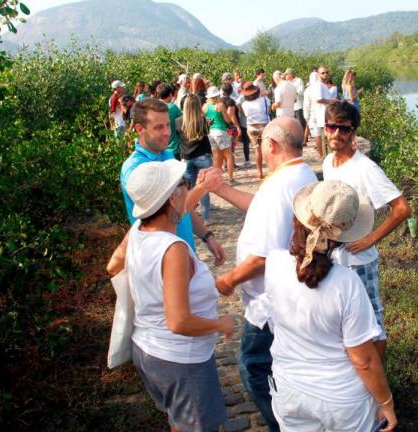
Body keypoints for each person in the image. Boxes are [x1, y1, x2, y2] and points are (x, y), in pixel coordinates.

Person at [199, 116, 317, 432]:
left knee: (254, 368)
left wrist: (229, 279)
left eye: (262, 141)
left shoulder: (279, 186)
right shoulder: (301, 173)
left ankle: (284, 425)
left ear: (272, 145)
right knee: (283, 366)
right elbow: (263, 208)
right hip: (292, 295)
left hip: (269, 304)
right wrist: (221, 188)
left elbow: (262, 257)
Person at [106, 160, 234, 432]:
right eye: (185, 186)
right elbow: (178, 322)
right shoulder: (172, 249)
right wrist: (220, 324)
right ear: (173, 198)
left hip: (148, 349)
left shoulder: (138, 230)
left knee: (178, 423)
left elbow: (113, 266)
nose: (188, 191)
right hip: (180, 362)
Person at [265, 180, 397, 432]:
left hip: (290, 391)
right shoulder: (347, 284)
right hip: (343, 402)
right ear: (340, 238)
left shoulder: (273, 265)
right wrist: (386, 402)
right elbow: (363, 360)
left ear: (298, 221)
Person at [322, 100, 411, 359]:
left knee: (372, 321)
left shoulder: (366, 169)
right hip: (335, 256)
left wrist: (371, 239)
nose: (336, 133)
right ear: (325, 128)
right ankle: (356, 372)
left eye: (344, 129)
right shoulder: (329, 163)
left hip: (360, 260)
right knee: (344, 319)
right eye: (331, 127)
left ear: (353, 132)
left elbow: (402, 208)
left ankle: (379, 384)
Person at [120, 97, 225, 264]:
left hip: (184, 255)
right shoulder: (135, 169)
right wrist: (202, 187)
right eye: (158, 127)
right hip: (161, 262)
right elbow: (168, 214)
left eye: (168, 125)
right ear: (139, 129)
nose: (167, 132)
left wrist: (207, 236)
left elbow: (183, 204)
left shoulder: (167, 155)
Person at [179, 94, 213, 226]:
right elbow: (206, 133)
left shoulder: (178, 122)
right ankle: (207, 218)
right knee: (203, 188)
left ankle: (189, 217)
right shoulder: (203, 121)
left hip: (186, 158)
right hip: (202, 156)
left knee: (190, 190)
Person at [239, 81, 271, 179]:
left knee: (257, 149)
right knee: (267, 148)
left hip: (251, 127)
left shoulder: (244, 104)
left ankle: (259, 171)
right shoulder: (264, 100)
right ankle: (271, 169)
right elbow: (268, 111)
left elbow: (244, 113)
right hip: (264, 125)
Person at [204, 86, 235, 184]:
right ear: (217, 95)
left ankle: (217, 179)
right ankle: (230, 178)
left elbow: (205, 119)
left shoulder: (205, 106)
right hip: (221, 131)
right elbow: (227, 120)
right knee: (229, 156)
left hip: (211, 133)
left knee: (216, 157)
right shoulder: (220, 105)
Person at [302, 68, 332, 158]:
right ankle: (323, 155)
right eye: (323, 73)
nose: (325, 74)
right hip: (318, 113)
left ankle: (321, 155)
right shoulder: (319, 86)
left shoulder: (309, 89)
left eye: (327, 72)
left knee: (318, 135)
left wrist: (306, 116)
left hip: (315, 114)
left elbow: (306, 105)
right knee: (320, 135)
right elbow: (317, 100)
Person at [157, 83, 182, 160]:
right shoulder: (173, 108)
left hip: (159, 149)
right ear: (170, 94)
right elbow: (183, 122)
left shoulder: (153, 108)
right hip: (174, 148)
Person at [221, 83, 243, 171]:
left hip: (222, 126)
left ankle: (225, 164)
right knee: (231, 147)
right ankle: (231, 164)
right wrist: (238, 127)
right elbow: (231, 115)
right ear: (231, 91)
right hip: (230, 127)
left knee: (224, 147)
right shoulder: (230, 102)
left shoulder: (220, 101)